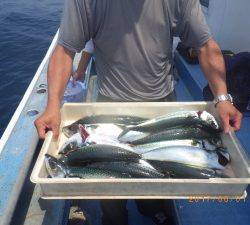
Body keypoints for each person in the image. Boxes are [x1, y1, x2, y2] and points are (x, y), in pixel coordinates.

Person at [35, 0, 243, 224]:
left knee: (158, 173)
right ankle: (114, 218)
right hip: (110, 104)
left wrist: (222, 98)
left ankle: (152, 208)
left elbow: (205, 46)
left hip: (161, 105)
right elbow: (65, 49)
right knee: (109, 183)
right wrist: (52, 106)